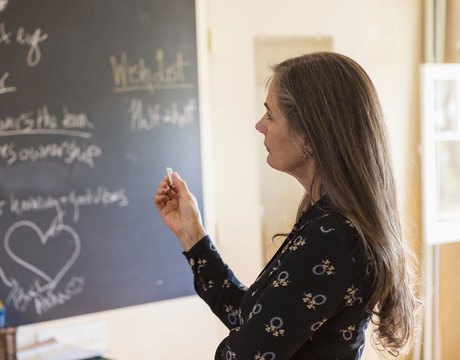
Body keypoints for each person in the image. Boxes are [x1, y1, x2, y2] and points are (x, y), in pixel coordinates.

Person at [154, 52, 417, 359]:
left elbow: (245, 352)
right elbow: (258, 323)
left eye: (270, 115)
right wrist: (192, 235)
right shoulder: (324, 221)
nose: (259, 126)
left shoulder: (332, 238)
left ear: (308, 136)